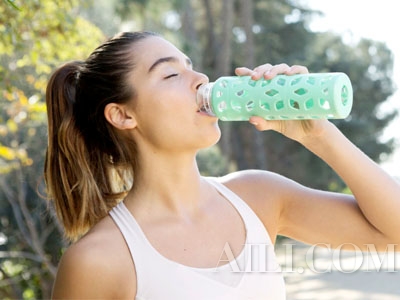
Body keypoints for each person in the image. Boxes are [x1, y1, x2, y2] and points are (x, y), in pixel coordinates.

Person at [44, 31, 400, 299]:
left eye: (191, 67)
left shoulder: (258, 197)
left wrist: (317, 134)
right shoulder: (98, 261)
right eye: (170, 75)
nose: (199, 80)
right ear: (122, 114)